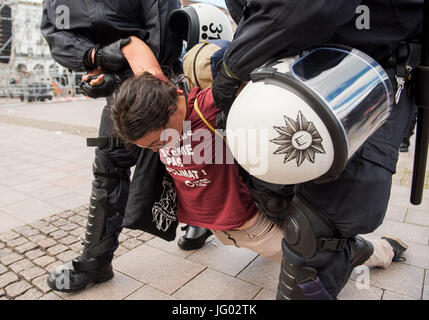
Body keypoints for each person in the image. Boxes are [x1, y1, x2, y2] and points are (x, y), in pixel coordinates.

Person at [212, 0, 421, 299]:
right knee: (271, 194)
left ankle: (349, 254)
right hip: (289, 76)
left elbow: (305, 8)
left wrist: (233, 68)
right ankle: (356, 252)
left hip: (362, 79)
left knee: (317, 231)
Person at [110, 71, 407, 276]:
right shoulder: (155, 116)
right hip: (218, 227)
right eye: (146, 147)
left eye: (157, 143)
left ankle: (382, 252)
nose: (154, 150)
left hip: (252, 226)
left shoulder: (209, 109)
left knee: (321, 259)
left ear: (172, 106)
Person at [41, 0, 211, 293]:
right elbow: (57, 34)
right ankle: (96, 260)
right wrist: (93, 56)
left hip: (159, 82)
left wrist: (116, 74)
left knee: (185, 158)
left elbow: (165, 34)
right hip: (117, 93)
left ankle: (201, 218)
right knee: (108, 164)